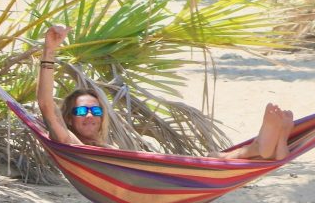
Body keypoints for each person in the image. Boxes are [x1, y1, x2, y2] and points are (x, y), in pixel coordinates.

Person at [37, 25, 294, 160]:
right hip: (146, 183)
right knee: (212, 160)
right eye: (82, 110)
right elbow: (47, 105)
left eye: (95, 110)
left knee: (214, 158)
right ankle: (263, 147)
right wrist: (50, 51)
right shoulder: (71, 142)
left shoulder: (102, 145)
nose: (90, 115)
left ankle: (267, 148)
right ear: (69, 118)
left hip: (155, 173)